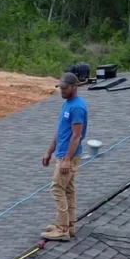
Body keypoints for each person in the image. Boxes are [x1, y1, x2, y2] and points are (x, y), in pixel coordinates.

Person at [41, 72, 88, 241]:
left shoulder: (77, 107)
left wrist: (67, 159)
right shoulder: (68, 104)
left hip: (69, 156)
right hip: (62, 153)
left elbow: (76, 136)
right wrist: (49, 151)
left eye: (65, 88)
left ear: (74, 87)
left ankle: (62, 230)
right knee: (68, 189)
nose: (62, 91)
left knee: (57, 188)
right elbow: (61, 131)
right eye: (60, 88)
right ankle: (70, 225)